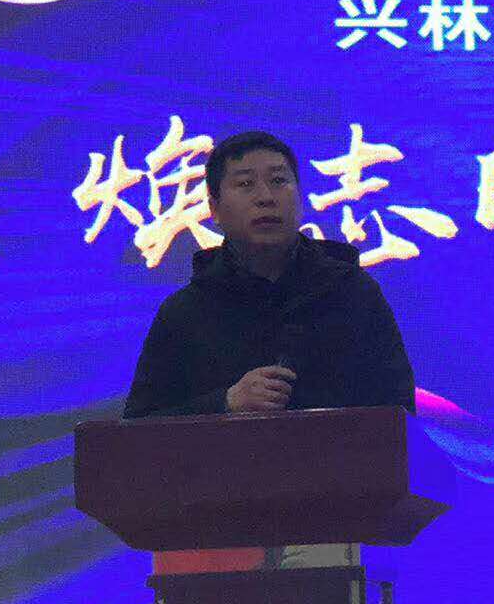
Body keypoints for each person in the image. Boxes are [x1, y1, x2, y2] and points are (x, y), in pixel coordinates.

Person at [123, 130, 414, 419]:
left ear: (299, 198)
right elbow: (138, 427)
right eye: (245, 184)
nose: (265, 197)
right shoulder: (186, 312)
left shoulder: (352, 293)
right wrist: (225, 403)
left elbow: (399, 413)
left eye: (278, 181)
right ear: (214, 209)